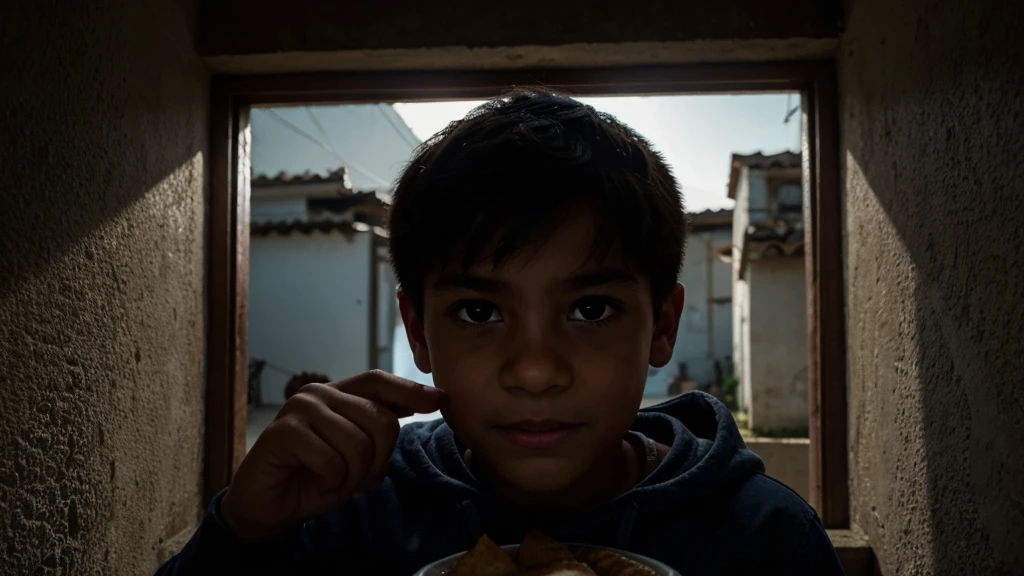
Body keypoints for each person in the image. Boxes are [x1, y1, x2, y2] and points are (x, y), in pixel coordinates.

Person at [156, 89, 844, 575]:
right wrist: (242, 535)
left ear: (661, 326)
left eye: (592, 309)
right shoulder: (351, 516)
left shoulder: (761, 538)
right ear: (419, 334)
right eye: (480, 313)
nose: (536, 370)